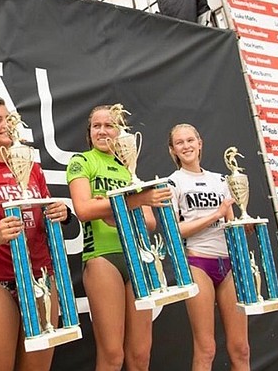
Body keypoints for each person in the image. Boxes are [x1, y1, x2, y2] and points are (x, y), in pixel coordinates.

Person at [0, 96, 70, 371]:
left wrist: (61, 213)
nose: (7, 124)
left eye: (8, 118)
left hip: (40, 278)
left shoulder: (33, 168)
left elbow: (45, 210)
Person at [66, 104, 171, 371]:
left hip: (138, 259)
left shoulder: (128, 168)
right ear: (89, 132)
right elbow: (84, 209)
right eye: (96, 126)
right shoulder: (82, 161)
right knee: (113, 357)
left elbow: (148, 222)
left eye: (109, 125)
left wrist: (113, 209)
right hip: (103, 259)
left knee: (140, 357)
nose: (102, 131)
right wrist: (131, 202)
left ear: (119, 131)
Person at [167, 123, 250, 371]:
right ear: (172, 150)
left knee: (241, 349)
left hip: (228, 263)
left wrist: (243, 225)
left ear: (200, 143)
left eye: (190, 140)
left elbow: (230, 219)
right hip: (198, 263)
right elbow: (175, 231)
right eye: (180, 142)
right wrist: (216, 214)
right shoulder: (173, 182)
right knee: (206, 349)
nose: (186, 146)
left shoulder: (222, 180)